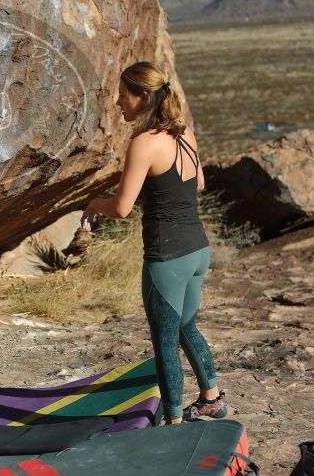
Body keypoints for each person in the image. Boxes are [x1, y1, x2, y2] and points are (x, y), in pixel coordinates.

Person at [80, 61, 226, 424]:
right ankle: (212, 399)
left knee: (164, 340)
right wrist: (161, 190)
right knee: (186, 326)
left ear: (142, 96)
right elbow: (200, 183)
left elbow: (122, 208)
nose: (117, 102)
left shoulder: (144, 143)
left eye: (123, 94)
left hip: (168, 257)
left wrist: (93, 205)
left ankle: (173, 421)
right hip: (197, 249)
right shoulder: (183, 133)